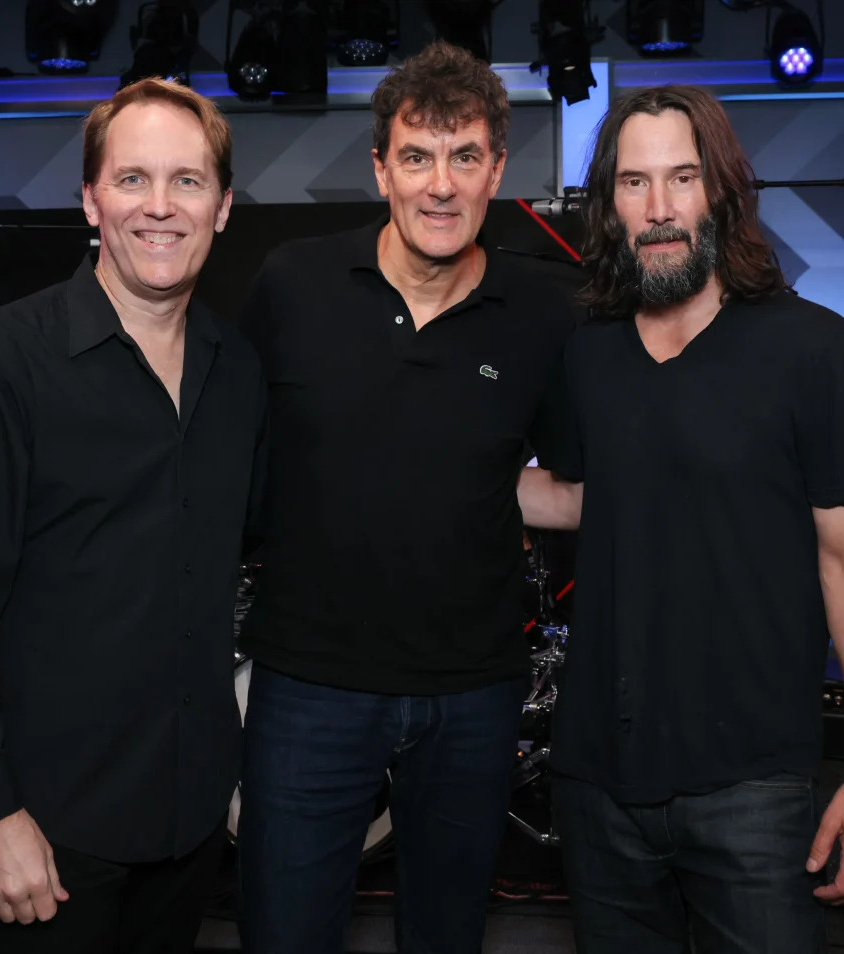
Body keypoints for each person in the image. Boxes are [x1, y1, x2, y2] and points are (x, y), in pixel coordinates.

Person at [518, 84, 844, 953]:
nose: (659, 209)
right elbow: (585, 497)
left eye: (681, 179)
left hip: (754, 790)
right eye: (633, 183)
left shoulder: (819, 351)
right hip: (597, 784)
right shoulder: (588, 355)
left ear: (721, 191)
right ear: (609, 205)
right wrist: (434, 473)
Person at [0, 77, 266, 953]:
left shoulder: (238, 373)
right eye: (132, 179)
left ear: (221, 208)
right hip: (46, 836)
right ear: (91, 201)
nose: (160, 206)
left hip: (185, 825)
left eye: (188, 181)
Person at [235, 41, 576, 954]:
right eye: (417, 156)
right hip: (308, 688)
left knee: (447, 937)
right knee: (285, 934)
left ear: (497, 169)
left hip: (473, 695)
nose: (441, 185)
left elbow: (569, 489)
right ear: (380, 166)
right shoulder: (293, 285)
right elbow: (228, 455)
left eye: (465, 157)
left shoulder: (546, 313)